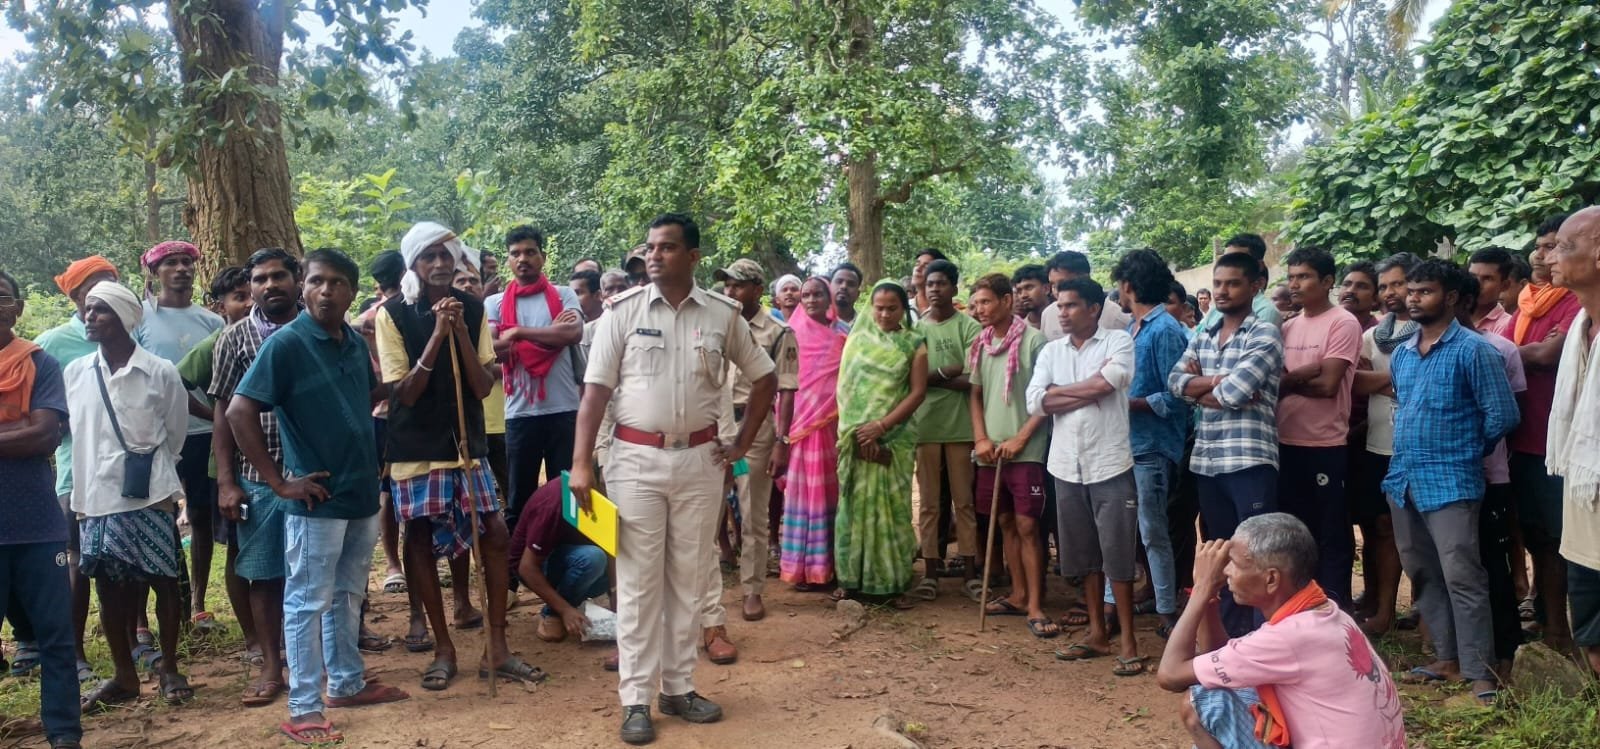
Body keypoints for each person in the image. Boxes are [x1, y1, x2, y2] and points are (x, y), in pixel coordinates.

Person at [568, 213, 777, 745]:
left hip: (701, 462)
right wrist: (581, 463)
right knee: (638, 583)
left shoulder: (723, 314)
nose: (655, 255)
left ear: (693, 256)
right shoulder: (622, 312)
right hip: (635, 461)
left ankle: (678, 688)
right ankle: (635, 698)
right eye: (650, 247)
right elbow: (594, 393)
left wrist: (739, 445)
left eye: (667, 247)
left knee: (690, 575)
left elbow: (765, 379)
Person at [227, 249, 410, 745]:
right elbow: (239, 411)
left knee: (348, 594)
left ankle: (346, 683)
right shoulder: (286, 344)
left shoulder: (351, 340)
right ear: (305, 287)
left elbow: (369, 396)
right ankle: (304, 706)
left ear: (353, 292)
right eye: (317, 282)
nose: (326, 291)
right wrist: (279, 481)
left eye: (337, 283)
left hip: (360, 492)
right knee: (307, 600)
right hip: (315, 498)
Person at [378, 222, 538, 691]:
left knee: (493, 531)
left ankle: (498, 646)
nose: (441, 264)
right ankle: (444, 648)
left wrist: (460, 332)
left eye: (447, 256)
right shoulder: (393, 314)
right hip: (416, 448)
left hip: (468, 446)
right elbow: (403, 392)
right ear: (413, 264)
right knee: (421, 539)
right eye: (429, 257)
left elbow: (483, 384)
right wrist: (435, 335)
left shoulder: (472, 308)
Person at [1385, 259, 1518, 704]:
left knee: (1464, 575)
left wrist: (1460, 452)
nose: (1413, 297)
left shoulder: (1475, 351)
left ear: (1454, 298)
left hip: (1453, 482)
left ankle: (1481, 671)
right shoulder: (1403, 352)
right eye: (1413, 290)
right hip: (1403, 479)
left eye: (1425, 291)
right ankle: (1447, 658)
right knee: (1422, 571)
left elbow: (1503, 415)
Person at [1155, 514, 1405, 749]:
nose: (1227, 571)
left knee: (1201, 702)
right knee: (1225, 689)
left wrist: (1201, 588)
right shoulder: (1325, 612)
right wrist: (1208, 596)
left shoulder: (1285, 639)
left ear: (1271, 579)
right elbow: (1220, 660)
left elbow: (1170, 674)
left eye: (1236, 564)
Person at [67, 280, 194, 712]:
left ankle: (170, 666)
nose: (90, 317)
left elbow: (175, 435)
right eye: (88, 310)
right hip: (96, 497)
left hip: (149, 494)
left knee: (163, 583)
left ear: (123, 318)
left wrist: (151, 469)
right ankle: (123, 675)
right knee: (108, 588)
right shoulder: (76, 374)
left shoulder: (159, 371)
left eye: (99, 310)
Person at [1027, 277, 1140, 674]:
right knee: (1084, 558)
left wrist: (1061, 392)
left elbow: (1110, 383)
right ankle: (1097, 634)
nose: (1062, 312)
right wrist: (1088, 391)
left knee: (1118, 556)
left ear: (1094, 308)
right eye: (1059, 305)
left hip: (1110, 463)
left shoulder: (1118, 341)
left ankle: (1128, 639)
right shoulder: (1050, 350)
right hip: (1065, 466)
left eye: (1071, 305)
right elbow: (1035, 403)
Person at [207, 248, 304, 708]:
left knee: (319, 574)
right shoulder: (233, 340)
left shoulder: (318, 330)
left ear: (297, 279)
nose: (270, 286)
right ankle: (271, 665)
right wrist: (227, 480)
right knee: (264, 575)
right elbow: (222, 413)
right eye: (260, 279)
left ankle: (320, 661)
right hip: (258, 477)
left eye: (278, 276)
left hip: (315, 471)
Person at [1169, 252, 1284, 637]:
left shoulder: (1263, 334)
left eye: (1233, 283)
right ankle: (1233, 642)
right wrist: (1219, 383)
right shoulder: (1203, 331)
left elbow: (1236, 393)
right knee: (1221, 556)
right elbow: (1174, 383)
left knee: (1256, 555)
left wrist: (1201, 384)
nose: (1222, 290)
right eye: (1218, 283)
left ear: (1255, 286)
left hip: (1249, 461)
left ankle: (1262, 641)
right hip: (1207, 461)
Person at [0, 268, 84, 749]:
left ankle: (65, 735)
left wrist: (28, 434)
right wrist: (19, 433)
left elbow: (45, 434)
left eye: (2, 296)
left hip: (37, 525)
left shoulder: (39, 363)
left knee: (55, 639)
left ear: (18, 307)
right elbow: (27, 432)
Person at [32, 255, 119, 684]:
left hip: (123, 475)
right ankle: (75, 653)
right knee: (74, 561)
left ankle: (132, 643)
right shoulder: (54, 342)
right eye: (93, 285)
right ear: (75, 293)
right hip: (76, 470)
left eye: (109, 283)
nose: (100, 293)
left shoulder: (129, 332)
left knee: (118, 563)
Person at [134, 240, 226, 631]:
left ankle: (198, 604)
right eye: (171, 263)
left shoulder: (212, 321)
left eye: (187, 262)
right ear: (155, 273)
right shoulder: (139, 319)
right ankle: (155, 613)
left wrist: (217, 420)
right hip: (158, 437)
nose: (181, 269)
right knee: (161, 519)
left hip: (206, 434)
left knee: (202, 518)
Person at [710, 258, 799, 625]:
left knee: (753, 512)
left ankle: (752, 590)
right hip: (715, 424)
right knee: (707, 510)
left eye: (738, 285)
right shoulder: (714, 325)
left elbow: (789, 390)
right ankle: (705, 592)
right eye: (727, 285)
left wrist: (782, 440)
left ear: (758, 290)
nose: (730, 292)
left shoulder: (778, 331)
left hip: (756, 427)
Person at [1509, 214, 1582, 651]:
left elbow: (1546, 355)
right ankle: (1546, 617)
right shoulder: (1528, 303)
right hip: (1523, 435)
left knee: (1558, 539)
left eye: (1554, 246)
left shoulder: (1574, 303)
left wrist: (1498, 350)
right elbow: (1532, 354)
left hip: (1557, 442)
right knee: (1535, 534)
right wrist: (1523, 351)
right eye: (1539, 245)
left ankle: (1561, 632)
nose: (1543, 254)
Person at [1274, 247, 1361, 607]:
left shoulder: (1342, 323)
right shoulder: (1288, 326)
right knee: (1295, 533)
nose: (1295, 284)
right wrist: (1298, 378)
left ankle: (1336, 610)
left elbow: (1328, 387)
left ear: (1327, 281)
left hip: (1325, 445)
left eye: (1304, 276)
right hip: (1284, 441)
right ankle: (1301, 608)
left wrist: (1289, 382)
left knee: (1331, 535)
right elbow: (1273, 386)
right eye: (1291, 277)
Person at [1111, 249, 1191, 636]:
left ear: (1128, 286)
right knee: (1127, 531)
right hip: (1131, 444)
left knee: (1153, 531)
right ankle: (1124, 607)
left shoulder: (1164, 330)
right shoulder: (1133, 330)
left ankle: (1166, 612)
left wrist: (1131, 404)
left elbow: (1178, 394)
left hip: (1154, 447)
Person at [1451, 268, 1527, 673]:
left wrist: (1467, 450)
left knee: (1491, 565)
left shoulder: (1498, 349)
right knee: (1458, 566)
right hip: (1443, 480)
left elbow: (1508, 414)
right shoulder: (1417, 349)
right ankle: (1462, 653)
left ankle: (1505, 650)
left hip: (1489, 475)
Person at [966, 274, 1051, 634]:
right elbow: (975, 395)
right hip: (991, 450)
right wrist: (981, 438)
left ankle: (1035, 603)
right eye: (975, 304)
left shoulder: (1034, 341)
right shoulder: (981, 344)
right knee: (1003, 522)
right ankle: (1017, 594)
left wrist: (1020, 438)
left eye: (986, 302)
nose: (979, 310)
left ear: (1005, 301)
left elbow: (1046, 398)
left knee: (1029, 525)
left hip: (1027, 448)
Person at [834, 280, 928, 606]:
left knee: (894, 509)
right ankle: (851, 577)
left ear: (904, 309)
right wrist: (860, 433)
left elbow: (917, 393)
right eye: (879, 308)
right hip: (857, 437)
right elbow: (845, 391)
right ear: (870, 308)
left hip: (895, 438)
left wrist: (882, 427)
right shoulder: (857, 342)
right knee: (853, 507)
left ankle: (892, 580)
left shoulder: (914, 343)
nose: (885, 314)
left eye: (892, 308)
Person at [487, 225, 584, 531]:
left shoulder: (564, 294)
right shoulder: (495, 303)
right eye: (515, 254)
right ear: (508, 261)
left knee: (567, 494)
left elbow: (573, 332)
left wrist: (517, 332)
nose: (523, 258)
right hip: (520, 413)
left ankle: (564, 564)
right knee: (519, 497)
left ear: (542, 256)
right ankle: (516, 569)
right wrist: (549, 334)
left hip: (564, 409)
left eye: (530, 252)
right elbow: (494, 352)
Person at [1545, 206, 1600, 677]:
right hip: (1584, 499)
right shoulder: (1581, 328)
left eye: (1565, 246)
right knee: (1594, 635)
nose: (1550, 258)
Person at [1350, 252, 1418, 635]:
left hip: (1414, 447)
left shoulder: (1430, 333)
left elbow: (1414, 383)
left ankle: (1420, 614)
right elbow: (1353, 381)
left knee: (1414, 534)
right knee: (1379, 528)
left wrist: (1380, 378)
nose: (1391, 292)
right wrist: (1391, 380)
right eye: (1386, 286)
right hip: (1378, 445)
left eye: (1399, 284)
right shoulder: (1372, 336)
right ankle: (1384, 608)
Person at [912, 259, 981, 584]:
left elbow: (974, 378)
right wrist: (946, 371)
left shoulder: (969, 327)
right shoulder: (916, 330)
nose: (934, 289)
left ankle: (969, 573)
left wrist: (928, 380)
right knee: (928, 505)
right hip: (925, 427)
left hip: (960, 428)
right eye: (929, 284)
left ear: (954, 288)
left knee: (964, 502)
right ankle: (930, 573)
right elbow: (911, 380)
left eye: (940, 283)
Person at [780, 276, 849, 591]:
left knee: (829, 496)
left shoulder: (844, 336)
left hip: (833, 426)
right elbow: (782, 385)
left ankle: (827, 566)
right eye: (805, 295)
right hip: (799, 427)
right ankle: (801, 569)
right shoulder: (789, 335)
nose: (810, 299)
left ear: (829, 298)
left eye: (817, 294)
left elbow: (850, 380)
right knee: (802, 496)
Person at [511, 478, 609, 645]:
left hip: (570, 554)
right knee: (593, 558)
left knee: (624, 563)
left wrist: (617, 607)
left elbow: (613, 549)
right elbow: (526, 568)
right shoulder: (555, 502)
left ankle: (568, 602)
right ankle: (553, 612)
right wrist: (564, 610)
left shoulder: (604, 496)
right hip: (537, 564)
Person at [1197, 233, 1283, 331]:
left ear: (1259, 266)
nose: (1228, 266)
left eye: (1237, 260)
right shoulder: (1215, 311)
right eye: (1226, 260)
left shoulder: (1266, 311)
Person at [1041, 251, 1130, 341]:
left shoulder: (1118, 318)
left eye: (1063, 283)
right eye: (1053, 285)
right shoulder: (1048, 314)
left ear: (1084, 278)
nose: (1056, 290)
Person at [1468, 247, 1517, 338]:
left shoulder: (1506, 325)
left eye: (1487, 278)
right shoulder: (1449, 315)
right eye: (1472, 276)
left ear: (1504, 285)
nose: (1476, 284)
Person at [1339, 261, 1380, 331]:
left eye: (1361, 286)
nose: (1350, 290)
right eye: (1346, 284)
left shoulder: (1380, 335)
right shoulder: (1324, 324)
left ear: (1375, 299)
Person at [1011, 264, 1051, 329]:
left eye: (1029, 287)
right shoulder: (1019, 330)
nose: (1023, 295)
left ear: (1046, 289)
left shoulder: (1063, 319)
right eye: (1019, 291)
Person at [830, 262, 864, 330]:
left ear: (858, 294)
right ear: (829, 287)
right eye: (839, 281)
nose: (844, 286)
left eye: (851, 284)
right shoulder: (818, 322)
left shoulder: (866, 325)